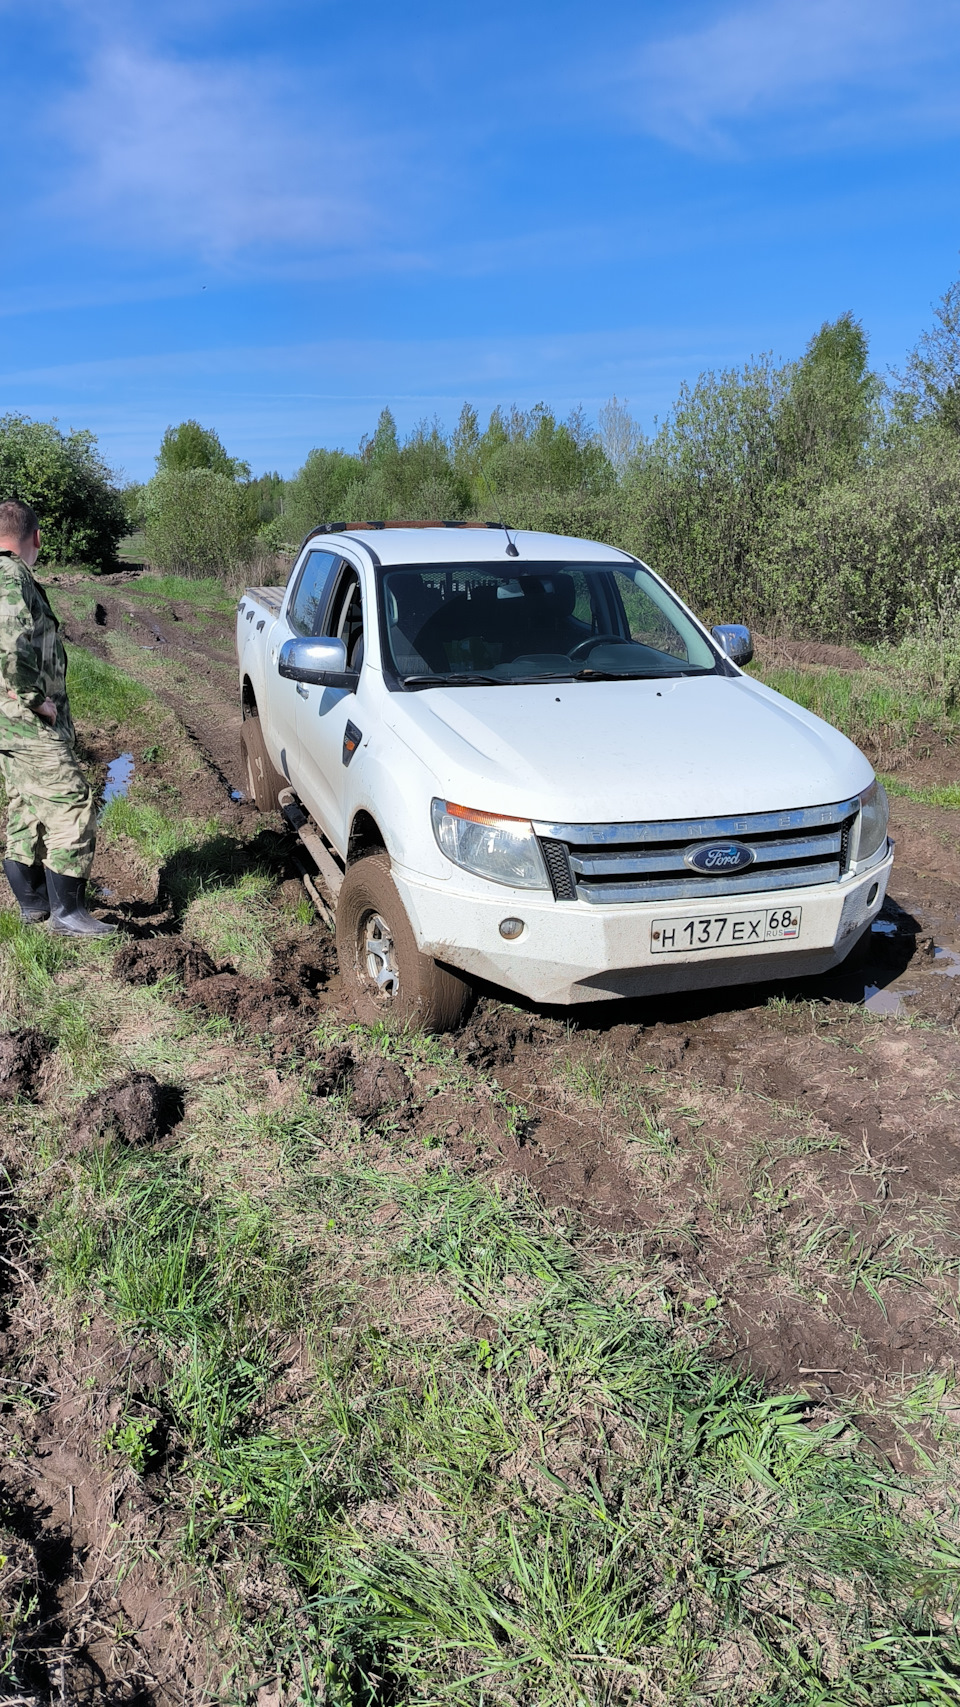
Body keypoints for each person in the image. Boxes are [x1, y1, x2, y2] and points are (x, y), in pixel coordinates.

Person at [0, 498, 113, 936]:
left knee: (25, 804)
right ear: (37, 538)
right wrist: (33, 698)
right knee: (72, 802)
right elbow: (10, 643)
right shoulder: (11, 576)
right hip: (23, 720)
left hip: (8, 720)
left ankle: (34, 904)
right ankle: (68, 915)